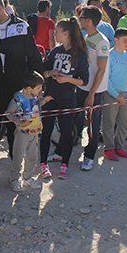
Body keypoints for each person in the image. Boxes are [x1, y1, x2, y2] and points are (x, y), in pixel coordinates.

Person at [0, 0, 42, 168]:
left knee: (15, 128)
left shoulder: (21, 26)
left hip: (17, 85)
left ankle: (15, 164)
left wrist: (38, 83)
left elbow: (33, 55)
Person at [40, 17, 89, 180]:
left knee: (67, 133)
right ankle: (43, 164)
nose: (54, 34)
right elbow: (44, 71)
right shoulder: (55, 51)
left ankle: (64, 164)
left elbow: (84, 80)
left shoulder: (79, 54)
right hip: (50, 98)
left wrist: (67, 79)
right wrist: (50, 74)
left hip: (68, 99)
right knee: (45, 132)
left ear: (66, 33)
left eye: (57, 31)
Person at [78, 6, 110, 171]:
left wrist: (91, 94)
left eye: (82, 17)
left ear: (88, 21)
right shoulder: (86, 37)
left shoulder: (102, 41)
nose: (79, 19)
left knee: (92, 125)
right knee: (77, 120)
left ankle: (89, 156)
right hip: (82, 86)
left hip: (94, 91)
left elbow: (101, 70)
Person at [5, 71, 47, 192]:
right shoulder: (18, 99)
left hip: (35, 133)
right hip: (22, 133)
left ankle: (28, 178)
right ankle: (14, 179)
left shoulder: (35, 97)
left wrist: (42, 101)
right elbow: (8, 113)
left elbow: (35, 107)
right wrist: (18, 120)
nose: (40, 90)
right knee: (18, 156)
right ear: (29, 88)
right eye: (38, 88)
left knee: (32, 157)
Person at [102, 28, 127, 161]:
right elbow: (106, 79)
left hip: (125, 94)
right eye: (124, 40)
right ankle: (109, 148)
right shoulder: (109, 55)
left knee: (125, 121)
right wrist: (116, 95)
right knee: (109, 122)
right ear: (116, 40)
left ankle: (119, 146)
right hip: (111, 94)